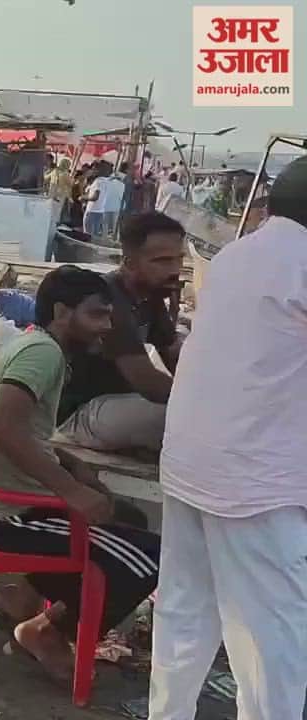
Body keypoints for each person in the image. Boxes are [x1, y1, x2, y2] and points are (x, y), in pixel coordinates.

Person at [147, 157, 307, 720]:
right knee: (270, 642)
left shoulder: (237, 255)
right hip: (254, 483)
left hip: (192, 462)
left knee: (184, 620)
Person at [0, 265, 160, 681]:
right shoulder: (43, 353)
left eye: (109, 316)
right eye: (96, 315)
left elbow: (22, 428)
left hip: (5, 500)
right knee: (151, 557)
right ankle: (45, 631)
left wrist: (68, 464)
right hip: (8, 515)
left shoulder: (37, 345)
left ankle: (21, 600)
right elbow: (3, 426)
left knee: (128, 518)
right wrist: (71, 490)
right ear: (61, 312)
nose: (105, 327)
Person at [57, 212, 184, 452]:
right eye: (163, 261)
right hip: (81, 413)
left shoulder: (151, 294)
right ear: (129, 264)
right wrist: (210, 403)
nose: (175, 269)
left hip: (118, 401)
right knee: (185, 419)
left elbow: (175, 356)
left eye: (179, 259)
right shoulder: (109, 300)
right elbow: (148, 383)